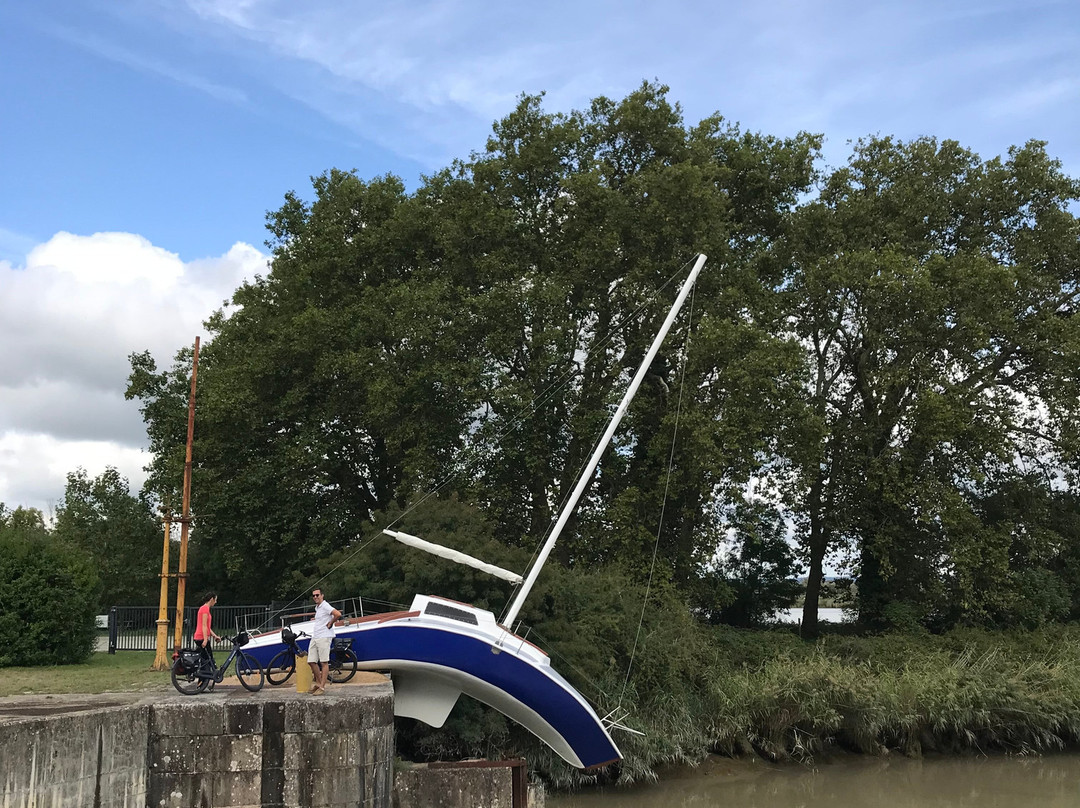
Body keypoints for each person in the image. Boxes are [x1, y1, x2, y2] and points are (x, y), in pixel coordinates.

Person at [308, 588, 342, 695]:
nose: (315, 597)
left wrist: (330, 623)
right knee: (311, 661)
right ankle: (318, 683)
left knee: (324, 662)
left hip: (324, 636)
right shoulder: (318, 608)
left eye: (317, 595)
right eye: (314, 596)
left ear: (322, 595)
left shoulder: (325, 605)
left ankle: (322, 687)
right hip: (316, 636)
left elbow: (337, 614)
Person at [193, 591, 221, 669]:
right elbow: (204, 625)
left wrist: (214, 636)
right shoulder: (205, 609)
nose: (215, 602)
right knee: (209, 659)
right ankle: (204, 678)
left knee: (206, 658)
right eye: (215, 600)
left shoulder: (204, 608)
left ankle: (205, 678)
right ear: (211, 599)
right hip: (201, 637)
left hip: (199, 636)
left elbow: (207, 627)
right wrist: (205, 640)